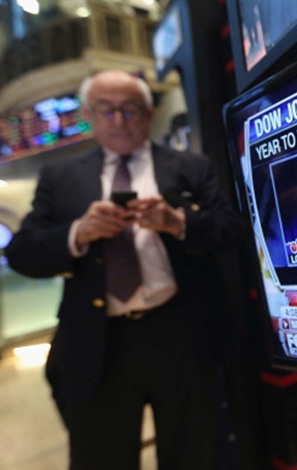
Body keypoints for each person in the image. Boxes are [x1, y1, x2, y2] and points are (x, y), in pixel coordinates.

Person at [6, 70, 241, 469]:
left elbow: (231, 231)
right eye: (107, 110)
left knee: (194, 454)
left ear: (148, 114)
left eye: (130, 110)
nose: (119, 120)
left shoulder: (191, 166)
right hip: (97, 341)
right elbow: (22, 252)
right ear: (89, 116)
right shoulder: (60, 177)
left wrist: (178, 222)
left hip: (181, 332)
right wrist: (78, 233)